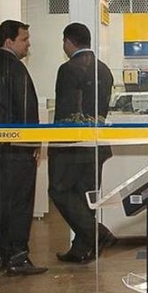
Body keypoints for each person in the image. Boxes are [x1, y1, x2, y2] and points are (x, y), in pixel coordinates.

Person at [0, 20, 48, 275]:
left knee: (0, 199)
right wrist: (34, 143)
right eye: (24, 39)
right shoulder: (16, 69)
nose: (28, 44)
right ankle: (17, 256)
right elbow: (26, 109)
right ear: (9, 41)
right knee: (20, 202)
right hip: (19, 148)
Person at [49, 23, 117, 264]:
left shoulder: (68, 69)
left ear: (68, 42)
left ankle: (97, 233)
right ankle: (81, 249)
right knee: (85, 196)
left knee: (58, 190)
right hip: (96, 145)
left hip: (72, 146)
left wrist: (56, 144)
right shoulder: (104, 70)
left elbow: (66, 112)